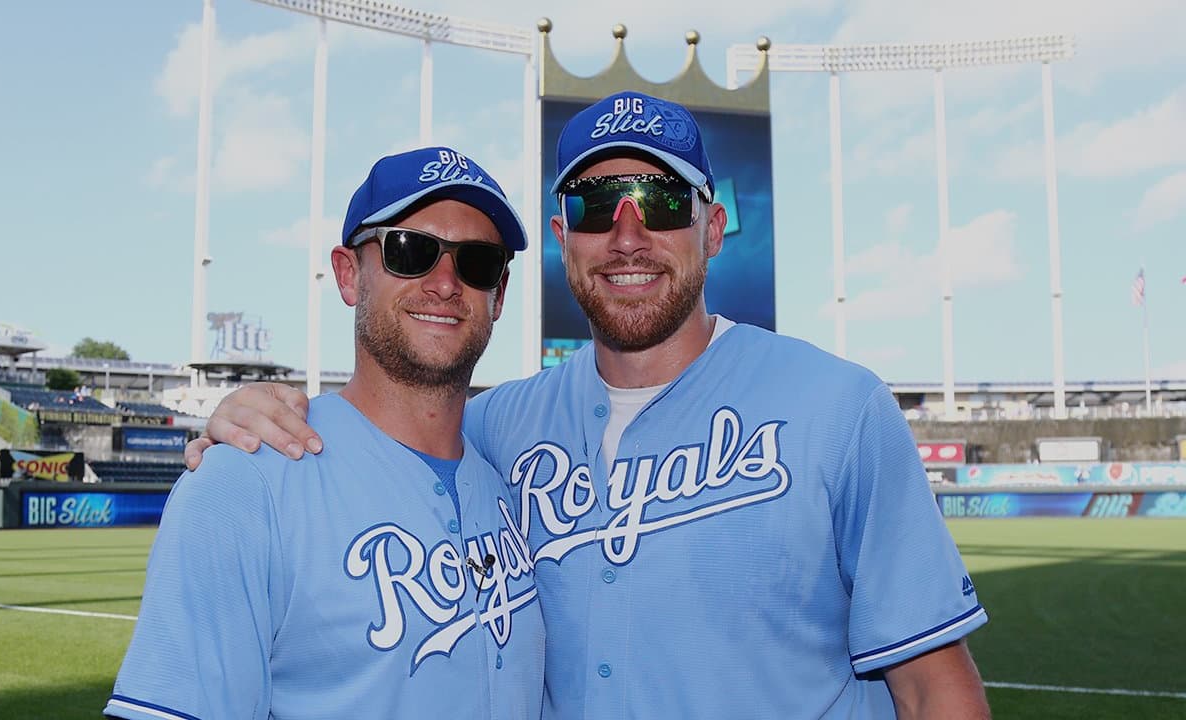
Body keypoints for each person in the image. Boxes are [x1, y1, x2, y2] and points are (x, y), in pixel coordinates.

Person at [189, 92, 990, 719]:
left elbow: (932, 690)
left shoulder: (839, 408)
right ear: (561, 235)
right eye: (599, 205)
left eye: (663, 202)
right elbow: (384, 421)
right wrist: (247, 414)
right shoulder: (497, 429)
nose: (629, 236)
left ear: (713, 228)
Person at [106, 147, 546, 720]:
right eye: (409, 250)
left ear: (500, 295)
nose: (445, 283)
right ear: (348, 274)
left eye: (478, 262)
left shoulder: (507, 478)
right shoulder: (242, 481)